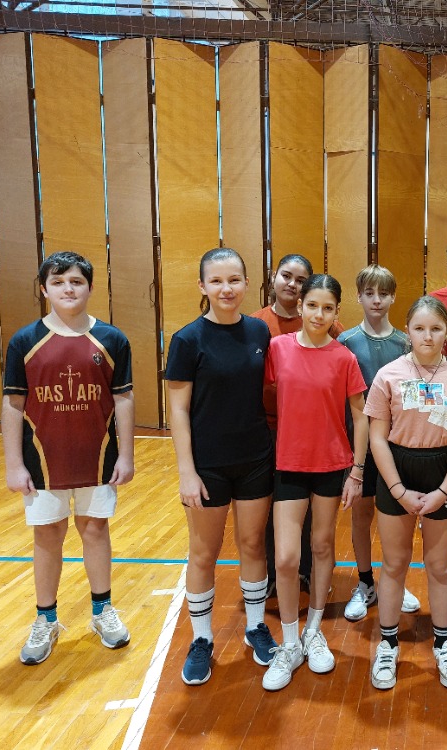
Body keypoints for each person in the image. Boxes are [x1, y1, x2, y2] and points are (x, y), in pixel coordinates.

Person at [2, 251, 135, 665]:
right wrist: (13, 463)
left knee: (94, 529)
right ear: (44, 289)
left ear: (90, 287)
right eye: (58, 282)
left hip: (98, 456)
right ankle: (45, 619)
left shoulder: (112, 340)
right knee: (48, 535)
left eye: (76, 281)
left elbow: (123, 399)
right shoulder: (24, 342)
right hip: (42, 460)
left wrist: (126, 455)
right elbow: (13, 404)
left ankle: (102, 610)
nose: (68, 289)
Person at [165, 248, 277, 686]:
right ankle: (202, 639)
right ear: (202, 286)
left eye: (234, 280)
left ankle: (255, 626)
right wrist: (186, 472)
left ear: (247, 283)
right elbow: (178, 410)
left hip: (255, 459)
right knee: (204, 552)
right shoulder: (187, 340)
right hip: (207, 466)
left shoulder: (259, 331)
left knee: (252, 544)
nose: (226, 288)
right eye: (216, 280)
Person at [365, 296, 447, 691]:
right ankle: (387, 643)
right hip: (396, 470)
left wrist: (444, 489)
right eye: (419, 328)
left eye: (435, 328)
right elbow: (377, 438)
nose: (427, 336)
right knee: (394, 563)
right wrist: (397, 489)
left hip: (442, 470)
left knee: (438, 565)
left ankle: (444, 643)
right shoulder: (388, 375)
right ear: (408, 331)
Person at [261, 274, 369, 691]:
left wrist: (357, 471)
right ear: (301, 306)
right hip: (288, 463)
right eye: (312, 305)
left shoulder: (344, 358)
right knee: (287, 559)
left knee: (322, 546)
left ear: (337, 311)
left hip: (330, 466)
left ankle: (313, 630)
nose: (319, 314)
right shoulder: (278, 348)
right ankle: (289, 643)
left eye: (328, 308)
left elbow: (360, 415)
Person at [252, 253, 343, 595]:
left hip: (311, 433)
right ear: (273, 277)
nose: (291, 284)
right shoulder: (257, 325)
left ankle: (306, 572)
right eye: (286, 276)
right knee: (271, 507)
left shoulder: (331, 328)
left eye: (300, 279)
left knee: (309, 512)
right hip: (268, 429)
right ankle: (274, 574)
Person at [337, 265, 421, 622]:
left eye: (383, 294)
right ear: (358, 296)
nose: (376, 300)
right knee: (362, 514)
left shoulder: (405, 343)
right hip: (359, 445)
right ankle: (365, 582)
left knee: (397, 517)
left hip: (397, 445)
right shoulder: (345, 342)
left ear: (393, 297)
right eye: (369, 293)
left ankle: (395, 581)